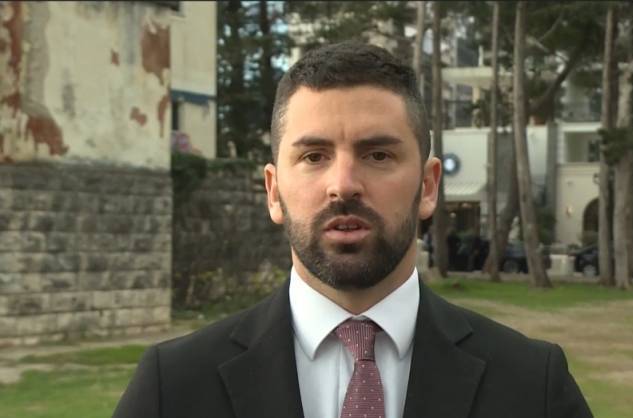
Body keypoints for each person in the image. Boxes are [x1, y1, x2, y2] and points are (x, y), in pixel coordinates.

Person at [113, 41, 592, 418]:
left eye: (378, 154)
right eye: (313, 156)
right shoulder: (173, 388)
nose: (343, 185)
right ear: (273, 192)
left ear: (428, 186)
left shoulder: (532, 387)